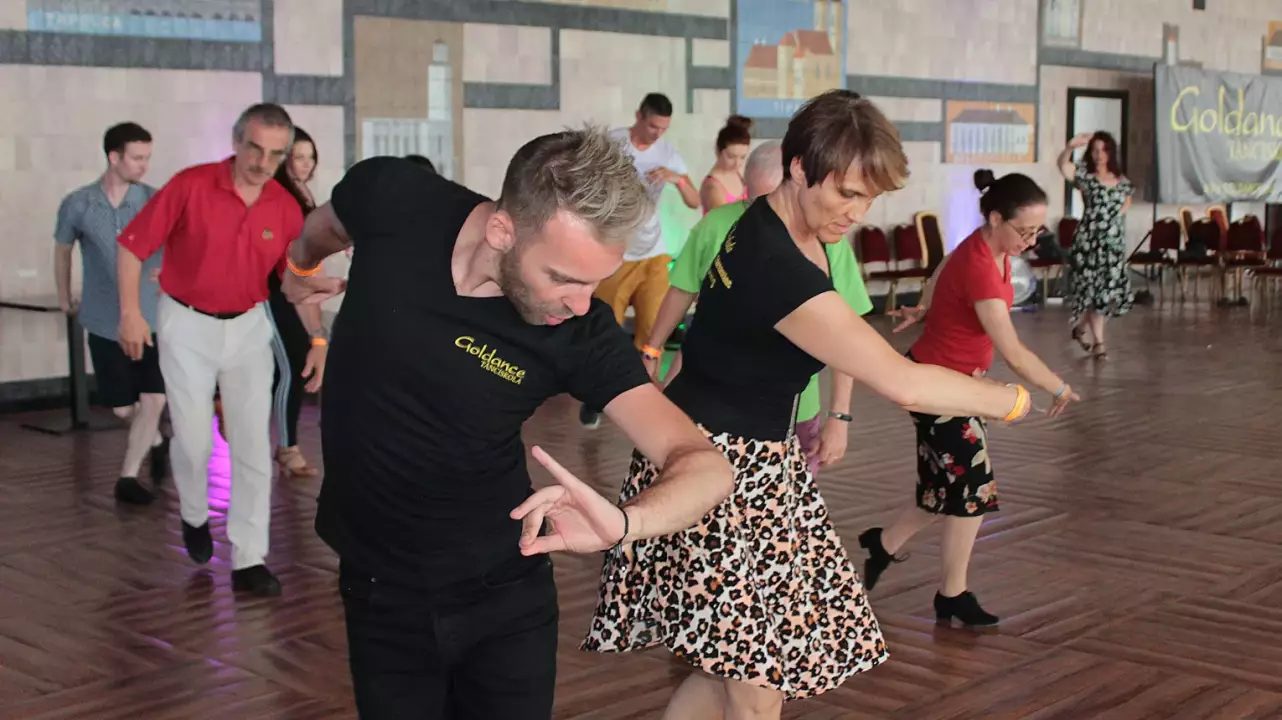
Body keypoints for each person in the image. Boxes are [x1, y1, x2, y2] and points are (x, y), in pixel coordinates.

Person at [582, 90, 1032, 719]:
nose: (858, 213)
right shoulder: (775, 264)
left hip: (751, 462)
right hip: (717, 470)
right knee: (756, 687)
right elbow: (902, 382)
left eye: (869, 198)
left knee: (734, 671)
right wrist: (1008, 398)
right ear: (798, 167)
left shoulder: (772, 222)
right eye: (847, 193)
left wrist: (835, 416)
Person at [278, 126, 735, 719]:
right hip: (376, 590)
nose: (580, 302)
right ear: (502, 231)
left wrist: (626, 523)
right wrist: (299, 268)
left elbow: (705, 466)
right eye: (563, 278)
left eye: (594, 282)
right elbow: (321, 229)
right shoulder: (392, 196)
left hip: (503, 595)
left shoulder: (579, 333)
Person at [116, 103, 327, 597]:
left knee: (253, 447)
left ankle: (249, 558)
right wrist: (130, 312)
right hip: (186, 324)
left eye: (275, 154)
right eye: (255, 148)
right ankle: (193, 514)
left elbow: (295, 282)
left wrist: (318, 337)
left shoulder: (284, 207)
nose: (262, 162)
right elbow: (132, 246)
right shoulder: (190, 186)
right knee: (194, 443)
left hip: (248, 327)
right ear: (236, 142)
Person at [858, 170, 1081, 628]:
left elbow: (943, 267)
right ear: (996, 218)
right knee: (973, 488)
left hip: (952, 385)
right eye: (1024, 230)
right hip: (938, 390)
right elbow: (1013, 353)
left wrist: (925, 305)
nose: (1031, 240)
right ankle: (952, 594)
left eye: (1037, 231)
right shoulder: (981, 265)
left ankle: (883, 544)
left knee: (941, 490)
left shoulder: (987, 247)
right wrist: (1057, 386)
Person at [644, 140, 871, 474]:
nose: (764, 214)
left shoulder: (827, 241)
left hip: (790, 412)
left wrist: (839, 416)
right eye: (754, 200)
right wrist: (653, 349)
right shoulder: (717, 224)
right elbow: (683, 291)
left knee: (782, 496)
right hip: (708, 401)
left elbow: (847, 336)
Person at [54, 122, 168, 505]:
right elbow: (62, 250)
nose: (144, 165)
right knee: (122, 408)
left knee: (154, 399)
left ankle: (128, 478)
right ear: (114, 157)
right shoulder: (79, 204)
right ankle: (155, 439)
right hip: (104, 319)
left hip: (152, 318)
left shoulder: (155, 201)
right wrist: (64, 296)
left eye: (147, 157)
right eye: (137, 158)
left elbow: (182, 243)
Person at [580, 92, 699, 429]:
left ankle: (648, 403)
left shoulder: (667, 153)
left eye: (663, 128)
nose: (657, 134)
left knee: (654, 330)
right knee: (604, 328)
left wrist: (677, 179)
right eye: (652, 126)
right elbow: (585, 183)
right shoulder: (613, 143)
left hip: (654, 252)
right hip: (617, 252)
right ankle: (594, 396)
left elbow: (694, 201)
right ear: (638, 116)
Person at [268, 126, 325, 478]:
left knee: (293, 363)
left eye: (310, 157)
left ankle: (287, 444)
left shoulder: (303, 193)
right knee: (290, 365)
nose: (306, 164)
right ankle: (287, 447)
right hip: (273, 289)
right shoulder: (279, 195)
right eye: (298, 157)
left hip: (296, 286)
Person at [1058, 131, 1134, 360]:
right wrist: (1070, 147)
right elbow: (1063, 166)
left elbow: (1123, 209)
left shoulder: (1123, 182)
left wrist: (1113, 232)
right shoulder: (1086, 177)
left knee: (1106, 294)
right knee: (1093, 293)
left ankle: (1081, 328)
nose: (1100, 155)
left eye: (1104, 150)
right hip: (1089, 243)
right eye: (1095, 150)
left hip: (1112, 245)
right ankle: (1100, 343)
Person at [698, 115, 752, 213]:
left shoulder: (739, 176)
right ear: (718, 151)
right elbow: (724, 221)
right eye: (731, 157)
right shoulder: (712, 187)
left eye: (742, 157)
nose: (737, 163)